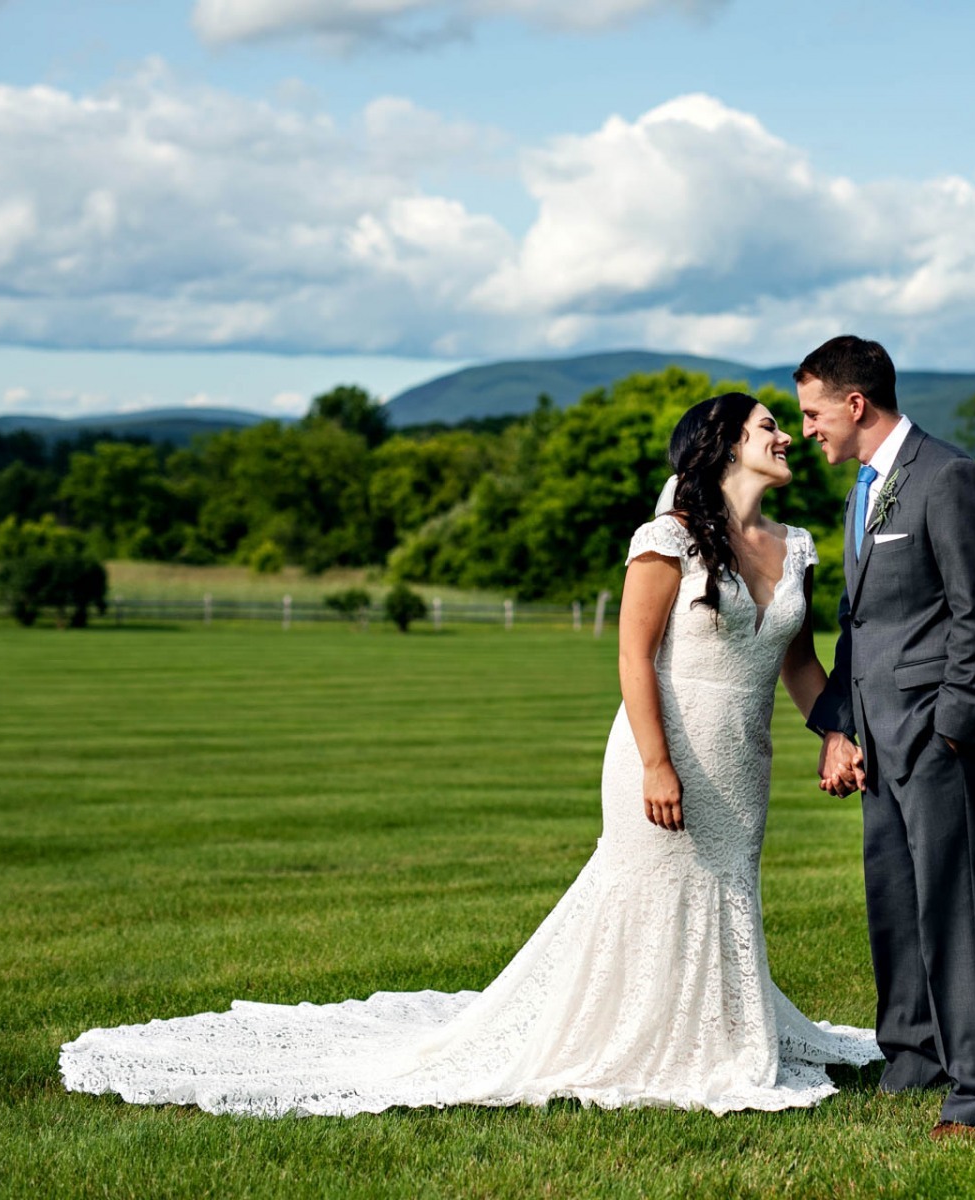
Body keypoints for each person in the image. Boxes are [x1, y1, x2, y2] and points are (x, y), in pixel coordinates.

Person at [59, 392, 879, 1117]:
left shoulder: (795, 546)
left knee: (722, 891)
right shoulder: (668, 539)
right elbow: (633, 659)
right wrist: (657, 764)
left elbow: (798, 664)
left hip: (742, 761)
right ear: (724, 443)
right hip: (661, 749)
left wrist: (836, 733)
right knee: (649, 891)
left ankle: (713, 1036)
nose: (784, 438)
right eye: (769, 426)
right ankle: (635, 1041)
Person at [798, 336, 975, 1140]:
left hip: (938, 736)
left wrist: (954, 730)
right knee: (893, 901)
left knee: (955, 910)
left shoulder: (950, 478)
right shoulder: (864, 488)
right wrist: (840, 729)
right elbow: (858, 626)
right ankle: (914, 1059)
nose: (807, 430)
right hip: (877, 737)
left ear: (856, 405)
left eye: (814, 413)